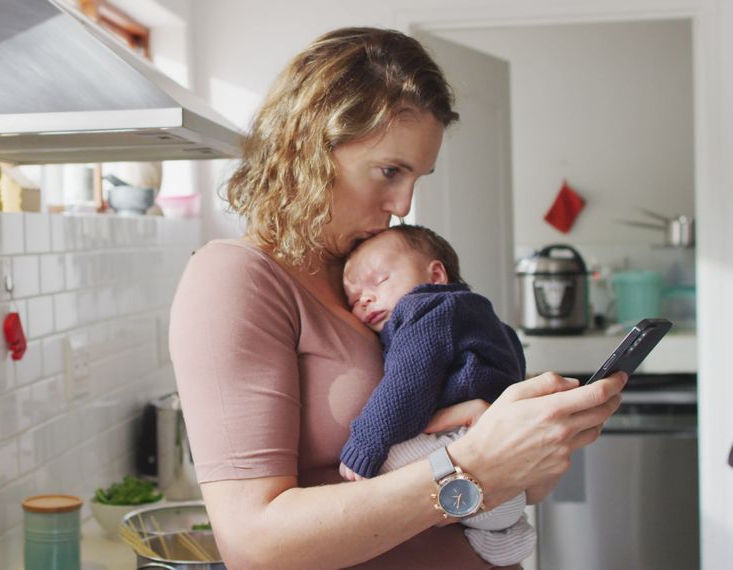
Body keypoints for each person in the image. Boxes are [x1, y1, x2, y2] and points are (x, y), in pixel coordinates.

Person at [169, 26, 625, 569]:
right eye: (390, 171)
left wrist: (532, 455)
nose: (405, 203)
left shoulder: (379, 273)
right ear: (310, 147)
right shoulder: (237, 278)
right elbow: (253, 545)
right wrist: (471, 466)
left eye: (417, 177)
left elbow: (482, 470)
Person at [337, 225, 535, 567]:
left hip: (467, 448)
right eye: (354, 299)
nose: (365, 298)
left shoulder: (427, 307)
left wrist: (366, 441)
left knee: (377, 463)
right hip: (503, 473)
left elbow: (406, 383)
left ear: (436, 274)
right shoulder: (484, 318)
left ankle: (496, 525)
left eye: (379, 280)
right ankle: (504, 532)